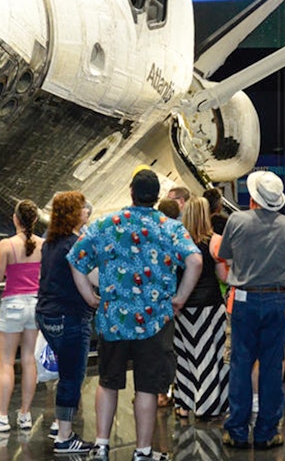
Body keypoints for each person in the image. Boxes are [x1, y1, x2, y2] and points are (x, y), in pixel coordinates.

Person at [69, 169, 202, 461]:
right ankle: (142, 451)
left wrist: (89, 296)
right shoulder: (170, 227)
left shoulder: (105, 224)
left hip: (113, 320)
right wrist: (180, 298)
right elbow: (195, 260)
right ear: (156, 196)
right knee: (147, 387)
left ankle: (101, 446)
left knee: (108, 382)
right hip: (155, 322)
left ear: (131, 191)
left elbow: (76, 259)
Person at [217, 171, 285, 450]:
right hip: (278, 300)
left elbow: (225, 255)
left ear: (253, 198)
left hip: (244, 300)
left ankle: (237, 430)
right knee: (271, 366)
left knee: (240, 364)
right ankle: (267, 431)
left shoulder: (237, 221)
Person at [0, 200, 44, 432]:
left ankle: (1, 416)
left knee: (6, 363)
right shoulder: (43, 245)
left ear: (15, 219)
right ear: (35, 219)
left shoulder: (6, 244)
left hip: (13, 305)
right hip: (36, 304)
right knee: (29, 360)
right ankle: (25, 415)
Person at [36, 191, 95, 453]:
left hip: (47, 313)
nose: (86, 211)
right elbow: (89, 279)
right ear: (72, 213)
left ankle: (60, 425)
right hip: (69, 314)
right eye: (82, 207)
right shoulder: (74, 244)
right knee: (72, 375)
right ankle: (64, 437)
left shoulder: (51, 243)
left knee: (65, 373)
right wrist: (95, 300)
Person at [172, 196, 229, 420]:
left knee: (184, 356)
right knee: (209, 355)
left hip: (183, 306)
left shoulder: (177, 241)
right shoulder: (215, 241)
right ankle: (208, 405)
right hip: (210, 305)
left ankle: (184, 405)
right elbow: (223, 276)